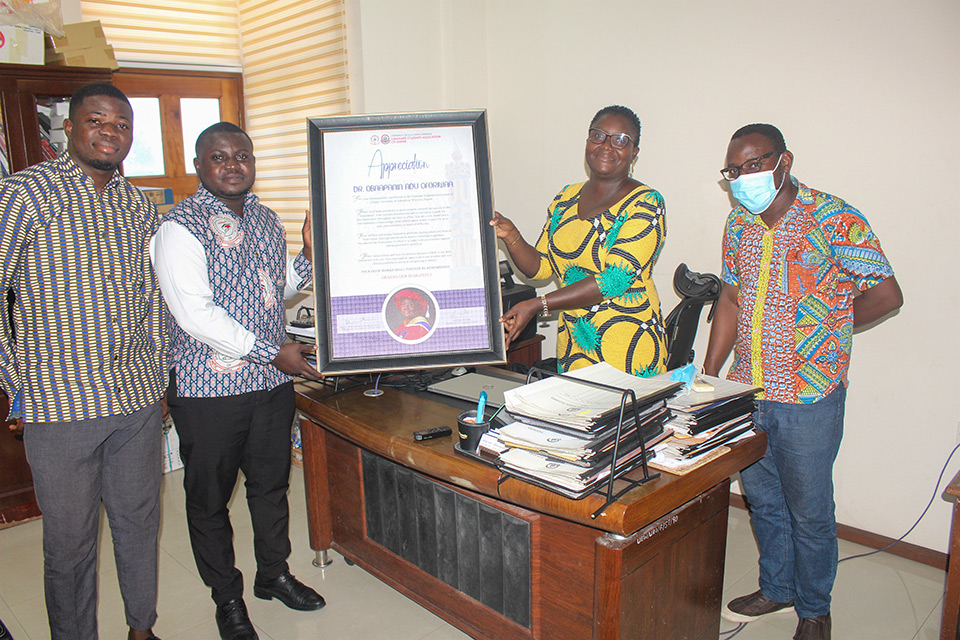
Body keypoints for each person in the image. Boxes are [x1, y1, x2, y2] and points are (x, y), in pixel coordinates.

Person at [703, 124, 903, 640]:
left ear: (783, 161)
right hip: (749, 391)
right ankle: (777, 588)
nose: (743, 178)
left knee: (810, 510)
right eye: (734, 170)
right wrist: (709, 374)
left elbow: (886, 295)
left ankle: (815, 609)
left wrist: (826, 329)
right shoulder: (738, 224)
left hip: (808, 396)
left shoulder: (834, 218)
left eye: (753, 164)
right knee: (763, 499)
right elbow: (729, 298)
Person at [0, 83, 166, 640]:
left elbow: (153, 298)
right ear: (67, 128)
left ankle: (141, 629)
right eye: (97, 121)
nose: (110, 133)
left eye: (121, 125)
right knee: (69, 546)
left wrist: (161, 375)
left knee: (139, 523)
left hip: (137, 399)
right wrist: (14, 381)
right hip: (59, 403)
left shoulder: (138, 205)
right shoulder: (24, 194)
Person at [151, 122, 324, 640]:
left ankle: (273, 575)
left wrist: (310, 254)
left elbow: (280, 286)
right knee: (209, 501)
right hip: (210, 391)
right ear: (200, 167)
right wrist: (274, 353)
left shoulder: (267, 219)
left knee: (271, 487)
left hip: (270, 388)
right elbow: (195, 315)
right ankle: (227, 597)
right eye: (219, 157)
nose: (233, 165)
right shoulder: (178, 227)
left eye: (242, 155)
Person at [491, 105, 667, 376]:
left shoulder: (646, 203)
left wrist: (539, 304)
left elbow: (614, 280)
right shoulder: (566, 198)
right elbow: (541, 268)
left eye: (620, 140)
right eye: (598, 136)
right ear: (587, 142)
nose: (607, 146)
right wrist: (512, 237)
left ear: (635, 153)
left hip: (627, 347)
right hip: (575, 345)